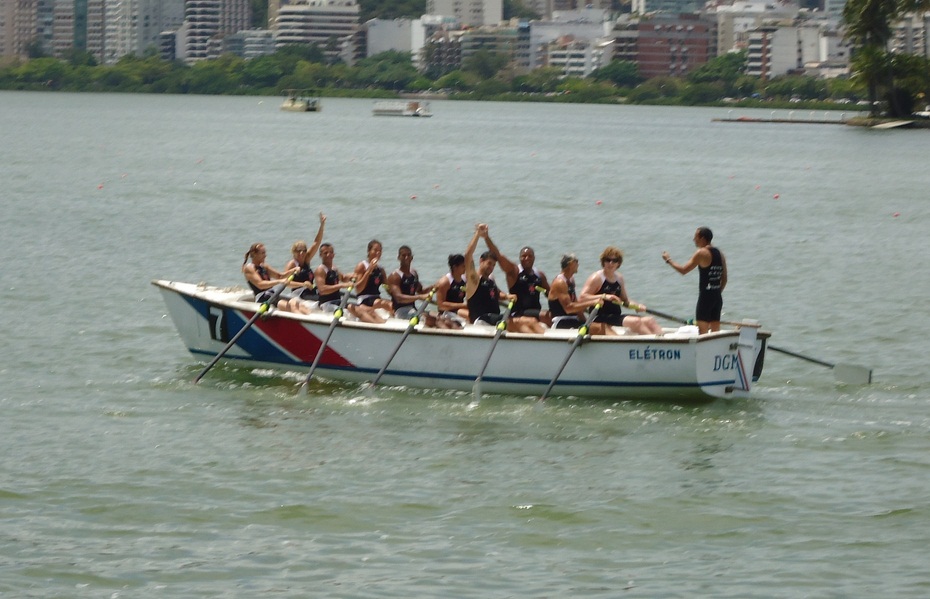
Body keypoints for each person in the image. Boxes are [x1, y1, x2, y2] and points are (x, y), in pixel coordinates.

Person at [464, 224, 544, 334]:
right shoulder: (474, 280)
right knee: (525, 321)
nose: (491, 267)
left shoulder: (490, 281)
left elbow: (497, 294)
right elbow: (468, 255)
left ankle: (536, 341)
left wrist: (507, 296)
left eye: (493, 265)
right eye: (489, 263)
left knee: (528, 323)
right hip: (482, 319)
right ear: (481, 261)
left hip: (494, 318)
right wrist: (477, 234)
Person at [580, 246, 663, 335]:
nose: (611, 263)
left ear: (618, 263)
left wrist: (637, 306)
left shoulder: (619, 278)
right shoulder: (596, 278)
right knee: (635, 321)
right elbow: (582, 297)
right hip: (599, 317)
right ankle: (650, 341)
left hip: (615, 316)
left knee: (650, 320)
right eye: (608, 260)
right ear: (603, 262)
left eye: (614, 260)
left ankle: (662, 341)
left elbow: (625, 301)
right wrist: (604, 296)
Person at [662, 226, 728, 334]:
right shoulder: (720, 254)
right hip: (717, 297)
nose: (694, 239)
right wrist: (716, 293)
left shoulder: (701, 253)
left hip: (706, 297)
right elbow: (724, 279)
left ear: (702, 238)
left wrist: (668, 260)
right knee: (715, 331)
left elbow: (683, 270)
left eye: (695, 237)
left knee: (703, 332)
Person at [481, 234, 550, 325]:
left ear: (534, 258)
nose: (527, 258)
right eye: (524, 256)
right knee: (546, 316)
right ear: (520, 258)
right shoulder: (514, 271)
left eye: (530, 256)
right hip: (518, 312)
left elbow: (551, 294)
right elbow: (498, 255)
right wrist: (486, 237)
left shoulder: (540, 275)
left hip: (536, 312)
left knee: (551, 314)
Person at [548, 253, 622, 335]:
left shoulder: (571, 280)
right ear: (571, 263)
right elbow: (569, 308)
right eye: (577, 262)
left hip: (573, 320)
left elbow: (576, 304)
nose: (578, 265)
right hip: (562, 322)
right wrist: (592, 302)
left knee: (605, 326)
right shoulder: (560, 282)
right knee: (602, 328)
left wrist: (586, 321)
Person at [241, 242, 308, 314]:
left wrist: (293, 270)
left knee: (298, 304)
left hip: (272, 294)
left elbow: (279, 276)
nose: (265, 255)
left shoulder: (264, 266)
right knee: (288, 305)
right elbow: (260, 285)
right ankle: (300, 319)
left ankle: (309, 317)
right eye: (263, 253)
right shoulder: (249, 268)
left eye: (265, 253)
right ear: (255, 254)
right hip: (263, 297)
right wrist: (279, 281)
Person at [283, 212, 327, 303]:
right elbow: (286, 283)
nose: (302, 253)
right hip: (299, 294)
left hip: (310, 292)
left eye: (304, 250)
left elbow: (316, 243)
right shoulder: (292, 264)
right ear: (294, 252)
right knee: (323, 299)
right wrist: (303, 284)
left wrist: (322, 225)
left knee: (330, 296)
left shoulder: (306, 260)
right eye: (299, 251)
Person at [387, 245, 432, 319]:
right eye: (403, 255)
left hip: (413, 309)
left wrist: (434, 287)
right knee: (429, 319)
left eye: (408, 255)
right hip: (400, 311)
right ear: (398, 257)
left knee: (438, 317)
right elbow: (399, 298)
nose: (406, 257)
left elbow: (420, 291)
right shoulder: (395, 276)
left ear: (412, 257)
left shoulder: (414, 273)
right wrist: (419, 297)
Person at [352, 239, 392, 324]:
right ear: (369, 251)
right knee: (386, 304)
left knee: (392, 304)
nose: (378, 253)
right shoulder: (362, 266)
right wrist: (369, 271)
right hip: (364, 299)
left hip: (376, 298)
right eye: (375, 250)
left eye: (380, 251)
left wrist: (396, 294)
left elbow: (386, 287)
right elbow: (358, 289)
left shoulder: (381, 270)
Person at [313, 242, 355, 312]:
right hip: (326, 304)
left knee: (357, 308)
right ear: (320, 255)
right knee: (350, 311)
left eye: (331, 252)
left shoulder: (334, 268)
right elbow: (322, 290)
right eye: (325, 253)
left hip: (337, 301)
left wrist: (352, 275)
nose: (328, 255)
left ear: (333, 255)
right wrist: (341, 285)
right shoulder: (320, 270)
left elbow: (343, 278)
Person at [432, 253, 469, 327]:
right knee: (469, 315)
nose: (465, 268)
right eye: (463, 266)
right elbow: (440, 305)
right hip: (446, 312)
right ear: (455, 267)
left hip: (459, 310)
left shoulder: (465, 280)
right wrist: (463, 305)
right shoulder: (445, 282)